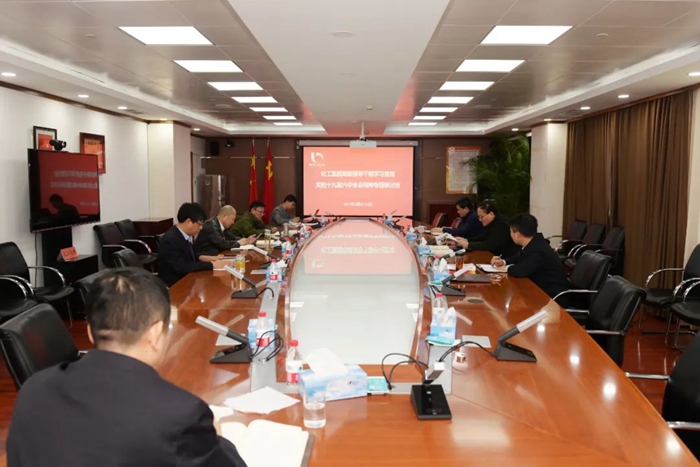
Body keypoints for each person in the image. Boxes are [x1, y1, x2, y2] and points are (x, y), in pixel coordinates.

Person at [6, 267, 247, 467]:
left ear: (90, 332)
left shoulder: (34, 389)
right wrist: (216, 436)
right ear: (155, 333)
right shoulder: (181, 413)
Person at [491, 214, 570, 299]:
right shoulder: (534, 242)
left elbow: (521, 271)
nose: (510, 234)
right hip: (539, 289)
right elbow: (519, 256)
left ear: (517, 234)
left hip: (551, 296)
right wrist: (503, 262)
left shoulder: (538, 250)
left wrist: (505, 268)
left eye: (511, 231)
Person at [159, 202, 227, 287]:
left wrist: (210, 258)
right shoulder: (171, 239)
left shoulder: (182, 235)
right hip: (176, 285)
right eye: (200, 224)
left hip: (188, 280)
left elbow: (190, 256)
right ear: (189, 222)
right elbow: (183, 267)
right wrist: (212, 265)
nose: (201, 228)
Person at [455, 201, 519, 257]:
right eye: (479, 217)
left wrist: (469, 245)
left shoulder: (502, 224)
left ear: (491, 214)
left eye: (481, 217)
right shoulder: (491, 222)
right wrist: (466, 240)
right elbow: (483, 237)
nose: (480, 220)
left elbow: (490, 245)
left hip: (506, 258)